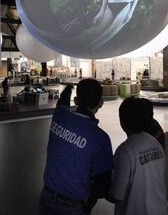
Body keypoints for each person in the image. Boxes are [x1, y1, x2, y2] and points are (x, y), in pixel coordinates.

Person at [39, 79, 114, 215]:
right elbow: (102, 185)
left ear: (76, 100)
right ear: (101, 103)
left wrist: (67, 89)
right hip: (73, 206)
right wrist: (86, 208)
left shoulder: (59, 116)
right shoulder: (100, 138)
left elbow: (62, 102)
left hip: (46, 198)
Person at [108, 97, 168, 215]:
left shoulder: (125, 150)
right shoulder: (156, 144)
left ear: (122, 121)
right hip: (161, 209)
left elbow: (116, 196)